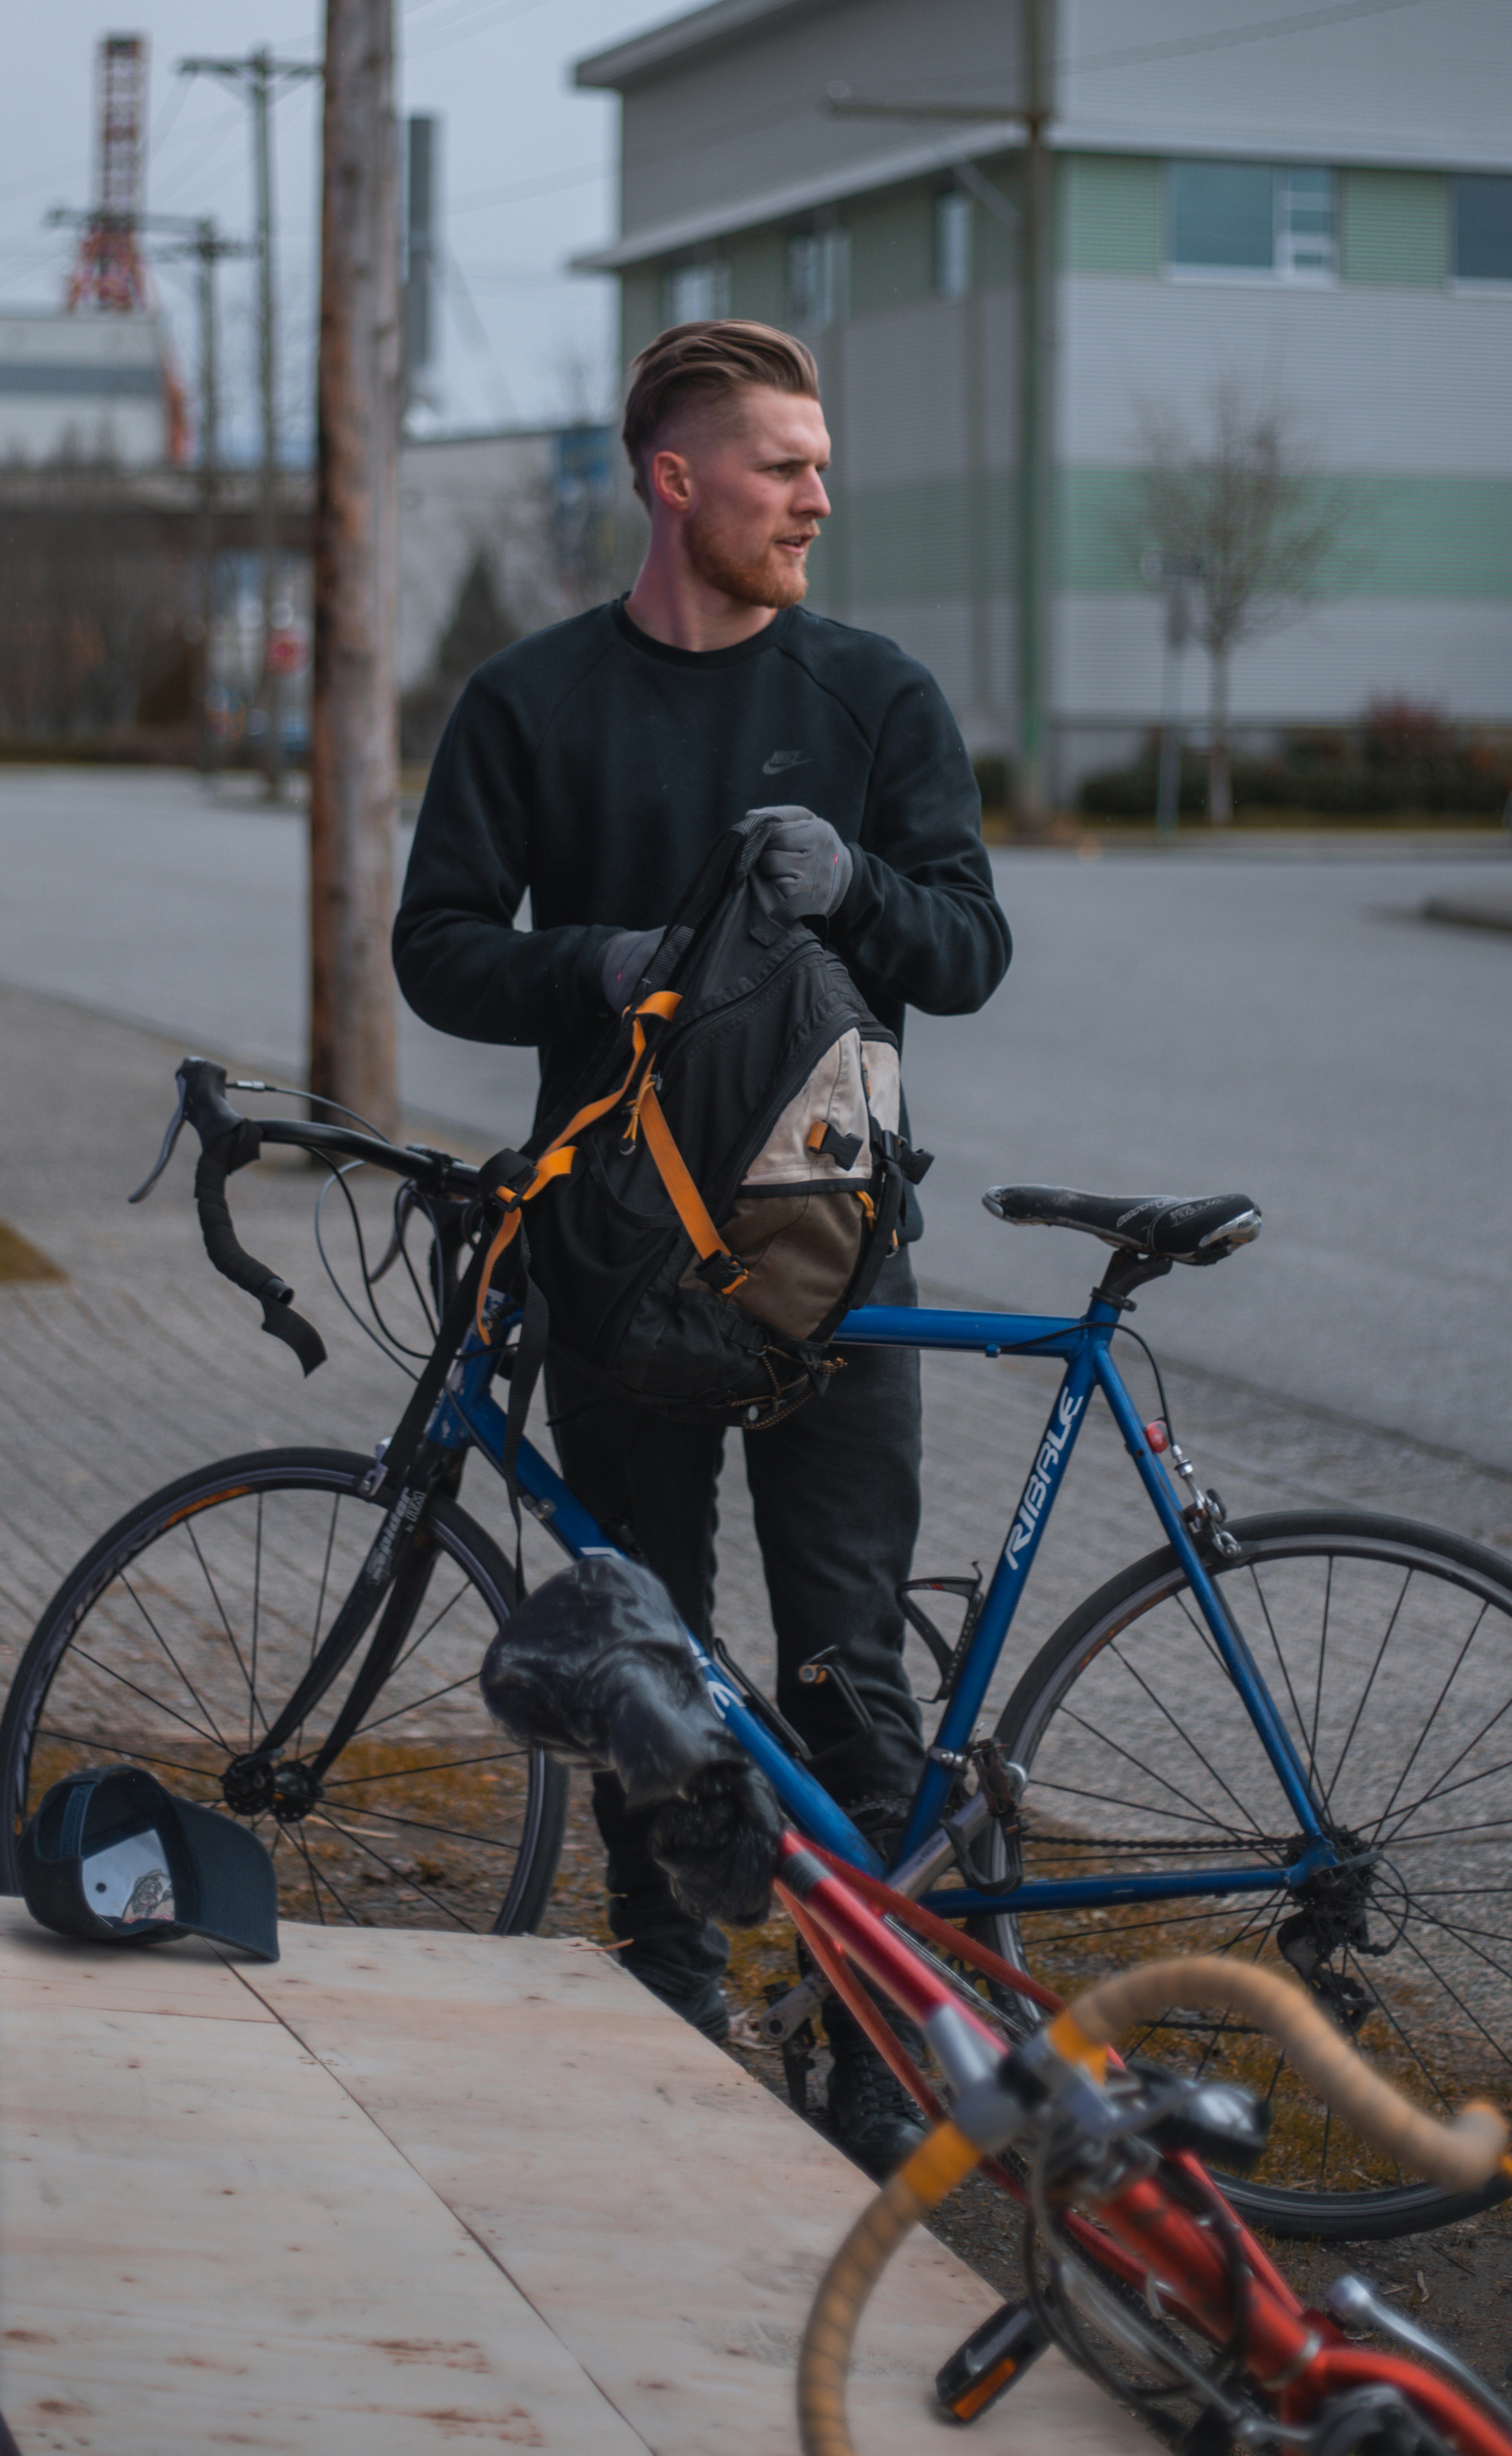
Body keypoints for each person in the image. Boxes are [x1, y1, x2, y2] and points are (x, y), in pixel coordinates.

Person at [393, 317, 1011, 2171]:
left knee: (845, 1669)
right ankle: (665, 2001)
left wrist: (861, 887)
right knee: (637, 1660)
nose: (819, 493)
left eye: (821, 463)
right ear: (677, 480)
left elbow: (968, 952)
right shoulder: (532, 701)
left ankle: (877, 2054)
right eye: (781, 464)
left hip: (834, 1258)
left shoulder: (873, 696)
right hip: (613, 1256)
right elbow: (434, 943)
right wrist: (582, 959)